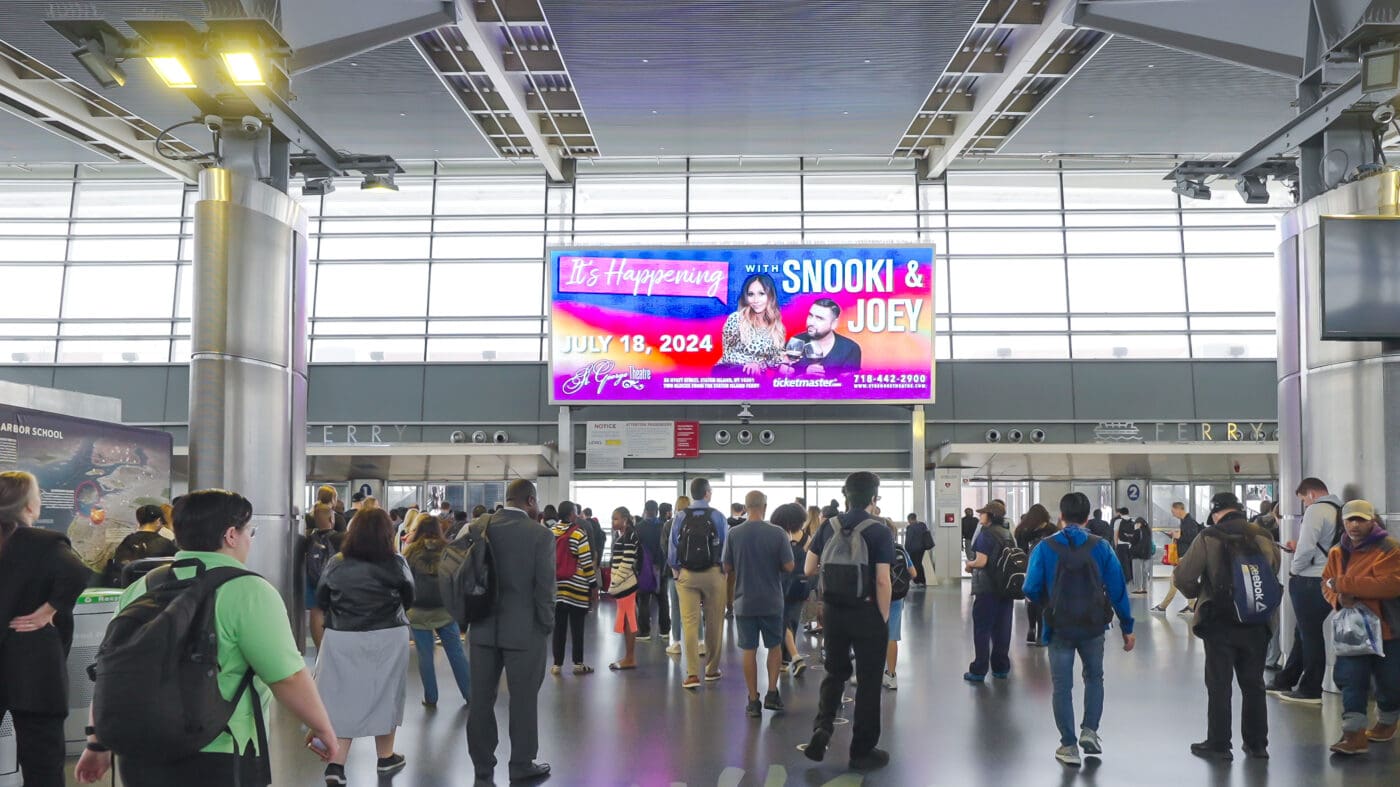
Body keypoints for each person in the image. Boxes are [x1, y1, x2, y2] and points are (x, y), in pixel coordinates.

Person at [75, 489, 338, 787]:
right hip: (220, 752)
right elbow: (287, 678)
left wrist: (97, 743)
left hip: (139, 753)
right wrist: (323, 728)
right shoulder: (249, 591)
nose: (250, 539)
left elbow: (111, 666)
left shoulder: (142, 586)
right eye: (249, 531)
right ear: (230, 535)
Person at [1021, 492, 1135, 767]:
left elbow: (1029, 588)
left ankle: (1068, 746)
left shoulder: (1044, 547)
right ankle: (1090, 731)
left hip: (1058, 626)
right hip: (1094, 626)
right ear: (1087, 517)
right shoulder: (1102, 546)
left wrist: (1048, 603)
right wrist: (1127, 627)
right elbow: (1118, 588)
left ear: (1060, 516)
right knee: (1094, 678)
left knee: (1062, 687)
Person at [0, 471, 92, 787]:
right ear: (27, 506)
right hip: (35, 668)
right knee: (43, 765)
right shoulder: (44, 543)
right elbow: (78, 573)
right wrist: (50, 609)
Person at [1173, 492, 1280, 761]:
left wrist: (1198, 594)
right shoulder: (1263, 535)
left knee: (1219, 684)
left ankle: (1219, 744)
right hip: (1257, 620)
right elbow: (1273, 569)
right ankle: (1257, 745)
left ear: (1216, 512)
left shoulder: (1209, 536)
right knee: (1254, 683)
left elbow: (1183, 575)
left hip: (1219, 621)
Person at [315, 508, 414, 784]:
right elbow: (409, 597)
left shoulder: (337, 562)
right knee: (387, 694)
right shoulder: (396, 562)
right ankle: (385, 758)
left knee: (341, 698)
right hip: (388, 635)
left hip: (342, 635)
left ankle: (335, 765)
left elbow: (323, 598)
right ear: (387, 533)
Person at [464, 481, 554, 785]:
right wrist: (546, 625)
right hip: (525, 630)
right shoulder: (540, 535)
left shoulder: (479, 527)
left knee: (480, 701)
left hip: (482, 627)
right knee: (524, 699)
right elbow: (545, 588)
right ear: (530, 500)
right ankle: (521, 764)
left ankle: (482, 770)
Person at [803, 471, 894, 771]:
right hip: (867, 612)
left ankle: (822, 729)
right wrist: (882, 617)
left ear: (846, 496)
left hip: (833, 612)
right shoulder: (879, 530)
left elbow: (808, 567)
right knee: (868, 681)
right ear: (873, 497)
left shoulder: (828, 526)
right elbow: (883, 580)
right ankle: (862, 750)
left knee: (835, 672)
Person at [1323, 499, 1400, 755]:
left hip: (1388, 630)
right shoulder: (1337, 551)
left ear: (1372, 521)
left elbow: (1389, 585)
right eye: (1349, 520)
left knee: (1389, 682)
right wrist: (1337, 598)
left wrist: (1343, 585)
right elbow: (1326, 583)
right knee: (1350, 679)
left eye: (1360, 519)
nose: (1354, 525)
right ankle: (1353, 734)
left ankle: (1388, 721)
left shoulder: (1390, 549)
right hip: (1352, 632)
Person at [1267, 478, 1344, 705]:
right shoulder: (1340, 509)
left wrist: (1293, 569)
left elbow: (1307, 547)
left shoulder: (1315, 510)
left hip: (1310, 580)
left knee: (1309, 635)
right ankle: (1286, 678)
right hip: (1329, 578)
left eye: (1303, 500)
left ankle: (1311, 689)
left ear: (1309, 494)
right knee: (1302, 632)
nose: (1304, 505)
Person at [722, 491, 794, 717]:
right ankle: (772, 693)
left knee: (749, 650)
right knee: (774, 647)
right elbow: (790, 566)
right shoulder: (777, 532)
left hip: (744, 601)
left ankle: (753, 700)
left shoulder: (734, 533)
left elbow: (726, 567)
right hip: (772, 600)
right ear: (765, 506)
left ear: (746, 506)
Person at [403, 515, 471, 709]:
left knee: (425, 655)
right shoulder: (448, 550)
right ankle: (470, 694)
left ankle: (431, 697)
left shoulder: (410, 552)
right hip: (445, 610)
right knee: (456, 653)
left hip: (418, 612)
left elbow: (406, 582)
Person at [670, 480, 730, 688]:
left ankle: (692, 674)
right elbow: (726, 546)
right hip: (713, 574)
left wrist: (677, 572)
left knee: (689, 623)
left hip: (687, 575)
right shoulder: (717, 516)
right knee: (714, 622)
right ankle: (712, 670)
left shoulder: (680, 516)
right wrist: (723, 571)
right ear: (707, 493)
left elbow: (673, 547)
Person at [964, 501, 1015, 681]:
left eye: (983, 513)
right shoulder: (1007, 533)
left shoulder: (986, 534)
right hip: (1006, 587)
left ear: (991, 516)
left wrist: (969, 564)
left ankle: (979, 669)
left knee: (982, 629)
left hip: (987, 588)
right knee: (1003, 628)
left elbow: (981, 561)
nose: (980, 516)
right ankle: (1001, 667)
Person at [552, 500, 596, 675]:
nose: (577, 515)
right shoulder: (578, 533)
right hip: (576, 586)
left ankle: (557, 664)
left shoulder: (551, 531)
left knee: (559, 627)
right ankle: (578, 664)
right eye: (575, 512)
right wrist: (593, 586)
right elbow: (586, 562)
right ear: (571, 514)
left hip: (557, 587)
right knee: (577, 627)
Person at [717, 272, 786, 375]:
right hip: (729, 373)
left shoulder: (776, 326)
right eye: (751, 294)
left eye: (761, 294)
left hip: (755, 376)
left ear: (770, 296)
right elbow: (728, 354)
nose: (755, 300)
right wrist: (751, 363)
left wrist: (784, 362)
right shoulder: (736, 319)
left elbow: (772, 361)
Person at [779, 298, 864, 377]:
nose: (811, 322)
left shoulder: (850, 348)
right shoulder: (795, 342)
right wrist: (802, 374)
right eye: (810, 315)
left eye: (820, 318)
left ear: (834, 324)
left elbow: (849, 387)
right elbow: (781, 380)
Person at [101, 503, 178, 587]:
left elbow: (118, 567)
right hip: (155, 590)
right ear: (158, 521)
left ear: (139, 521)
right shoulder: (165, 543)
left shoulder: (127, 541)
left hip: (129, 590)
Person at [774, 503, 810, 677]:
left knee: (782, 620)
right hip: (801, 584)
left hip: (781, 582)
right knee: (793, 621)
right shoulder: (806, 538)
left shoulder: (780, 535)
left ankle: (789, 658)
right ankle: (789, 658)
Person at [1013, 504, 1058, 646]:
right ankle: (1041, 634)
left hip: (1030, 568)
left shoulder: (1024, 530)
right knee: (1044, 600)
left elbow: (1020, 549)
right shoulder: (1052, 529)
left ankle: (1032, 629)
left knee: (1032, 599)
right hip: (1049, 568)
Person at [303, 503, 345, 651]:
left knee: (316, 611)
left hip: (313, 581)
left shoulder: (308, 538)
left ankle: (320, 649)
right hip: (334, 581)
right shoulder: (339, 538)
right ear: (331, 519)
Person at [607, 506, 641, 672]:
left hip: (626, 584)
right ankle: (629, 656)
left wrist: (614, 583)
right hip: (623, 584)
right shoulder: (623, 535)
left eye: (615, 518)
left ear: (625, 520)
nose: (613, 521)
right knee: (628, 617)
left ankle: (630, 657)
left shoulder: (629, 535)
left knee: (629, 618)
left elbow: (627, 562)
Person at [1153, 502, 1202, 614]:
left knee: (1175, 581)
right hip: (1183, 556)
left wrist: (1179, 536)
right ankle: (1191, 606)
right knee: (1180, 581)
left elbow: (1193, 538)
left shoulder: (1189, 522)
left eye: (1173, 511)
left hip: (1185, 556)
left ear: (1179, 509)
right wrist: (1175, 535)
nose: (1172, 513)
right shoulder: (1184, 521)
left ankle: (1163, 607)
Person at [883, 516, 913, 690]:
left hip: (876, 598)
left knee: (872, 635)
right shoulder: (900, 549)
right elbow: (914, 572)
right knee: (892, 636)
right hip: (896, 597)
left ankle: (869, 673)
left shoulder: (873, 549)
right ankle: (891, 675)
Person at [634, 500, 670, 642]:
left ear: (645, 510)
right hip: (661, 566)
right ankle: (665, 630)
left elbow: (636, 549)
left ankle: (644, 632)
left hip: (644, 568)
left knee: (644, 599)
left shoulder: (639, 527)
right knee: (663, 599)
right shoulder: (663, 526)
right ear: (656, 510)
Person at [661, 497, 687, 656]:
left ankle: (676, 642)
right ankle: (700, 642)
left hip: (673, 571)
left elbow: (665, 547)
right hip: (692, 570)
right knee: (695, 607)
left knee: (676, 607)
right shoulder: (694, 521)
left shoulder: (669, 524)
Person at [905, 513, 933, 587]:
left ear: (910, 519)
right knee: (919, 564)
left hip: (913, 549)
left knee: (914, 565)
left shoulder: (910, 527)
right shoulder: (922, 525)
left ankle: (916, 581)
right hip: (921, 548)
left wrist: (906, 549)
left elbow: (908, 540)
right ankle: (922, 580)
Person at [1130, 517, 1155, 595]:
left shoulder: (1139, 531)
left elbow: (1134, 540)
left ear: (1139, 523)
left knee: (1137, 571)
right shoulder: (1148, 530)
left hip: (1138, 553)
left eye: (1136, 524)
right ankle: (1145, 587)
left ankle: (1138, 588)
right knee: (1144, 571)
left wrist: (1135, 530)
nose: (1135, 525)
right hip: (1147, 553)